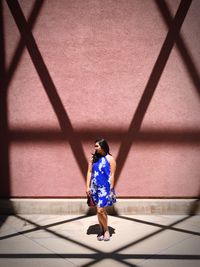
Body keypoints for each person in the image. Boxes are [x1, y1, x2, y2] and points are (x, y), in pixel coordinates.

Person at [86, 138, 116, 241]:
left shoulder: (110, 159)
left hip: (105, 188)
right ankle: (101, 230)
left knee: (100, 209)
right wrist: (87, 187)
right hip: (95, 187)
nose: (95, 147)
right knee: (99, 211)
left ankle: (106, 230)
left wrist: (111, 189)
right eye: (95, 146)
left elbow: (112, 174)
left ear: (103, 146)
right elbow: (89, 172)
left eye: (97, 146)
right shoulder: (93, 158)